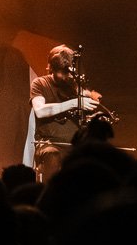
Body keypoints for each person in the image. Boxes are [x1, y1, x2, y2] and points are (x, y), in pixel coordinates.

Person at [28, 43, 106, 180]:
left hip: (74, 145)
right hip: (49, 144)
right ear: (51, 67)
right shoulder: (40, 84)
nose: (66, 76)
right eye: (62, 72)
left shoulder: (74, 85)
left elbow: (87, 96)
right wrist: (74, 103)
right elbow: (40, 111)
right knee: (53, 156)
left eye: (68, 72)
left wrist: (95, 112)